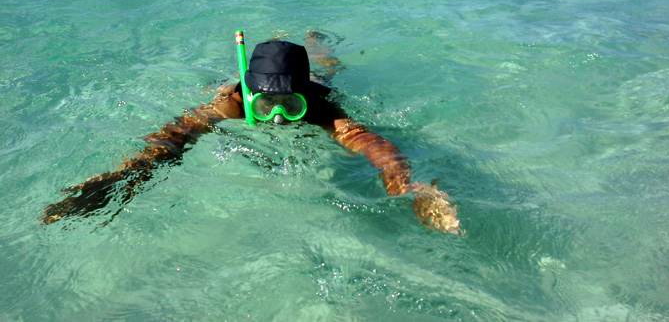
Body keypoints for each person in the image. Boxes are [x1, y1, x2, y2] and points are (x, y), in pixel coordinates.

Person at [41, 32, 462, 234]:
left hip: (312, 77)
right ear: (248, 95)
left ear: (305, 98)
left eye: (289, 106)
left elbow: (375, 145)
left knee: (325, 62)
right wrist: (122, 178)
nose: (278, 119)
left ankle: (315, 44)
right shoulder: (231, 101)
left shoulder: (317, 106)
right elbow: (172, 139)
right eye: (267, 106)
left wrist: (407, 186)